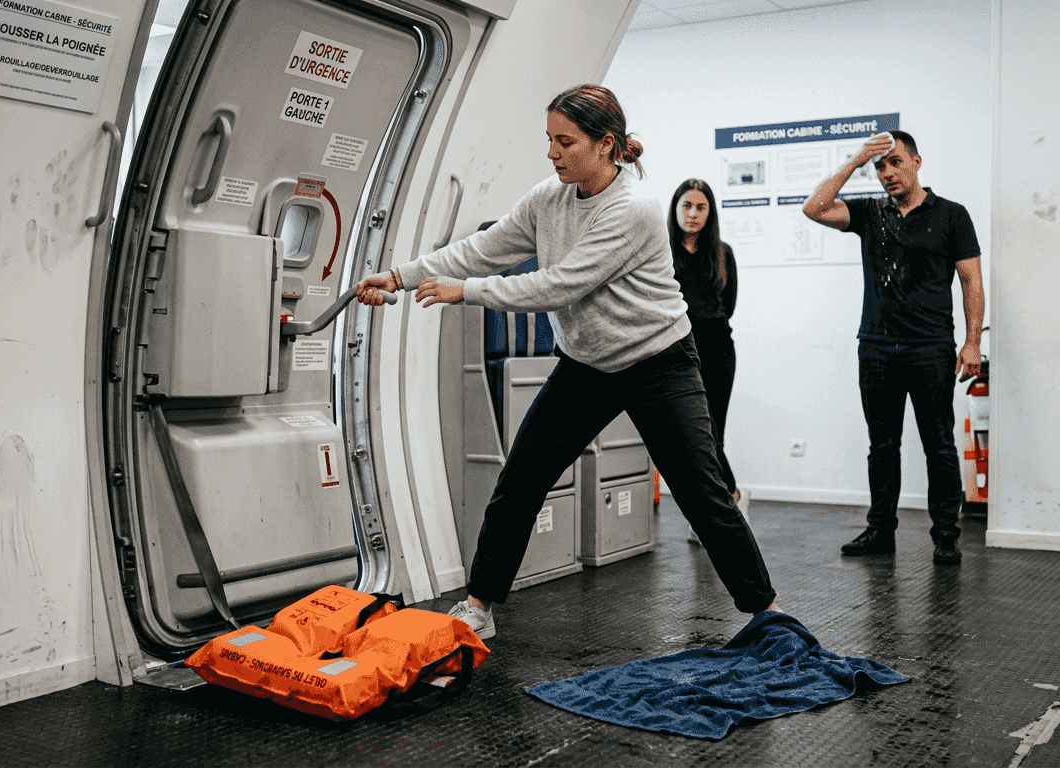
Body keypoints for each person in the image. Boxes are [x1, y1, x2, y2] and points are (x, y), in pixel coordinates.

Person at [357, 84, 780, 639]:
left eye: (565, 141)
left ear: (607, 145)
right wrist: (401, 275)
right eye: (549, 141)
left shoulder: (634, 209)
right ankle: (479, 604)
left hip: (659, 363)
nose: (552, 153)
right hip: (587, 366)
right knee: (521, 481)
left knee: (702, 492)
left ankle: (766, 614)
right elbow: (484, 248)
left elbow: (560, 284)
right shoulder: (547, 198)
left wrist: (464, 292)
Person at [801, 130, 984, 565]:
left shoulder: (952, 215)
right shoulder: (868, 213)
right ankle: (881, 529)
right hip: (877, 348)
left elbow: (971, 281)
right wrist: (856, 159)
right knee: (881, 445)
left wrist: (972, 343)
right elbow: (814, 208)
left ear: (916, 162)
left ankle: (945, 535)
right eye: (879, 166)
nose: (886, 173)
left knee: (938, 444)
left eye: (894, 162)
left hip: (931, 348)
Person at [666, 179, 749, 543]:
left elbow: (726, 307)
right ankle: (729, 497)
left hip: (718, 352)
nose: (693, 213)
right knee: (695, 437)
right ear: (676, 209)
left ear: (710, 212)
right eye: (687, 206)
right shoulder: (663, 250)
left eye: (701, 207)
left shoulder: (722, 252)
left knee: (715, 433)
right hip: (679, 352)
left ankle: (716, 510)